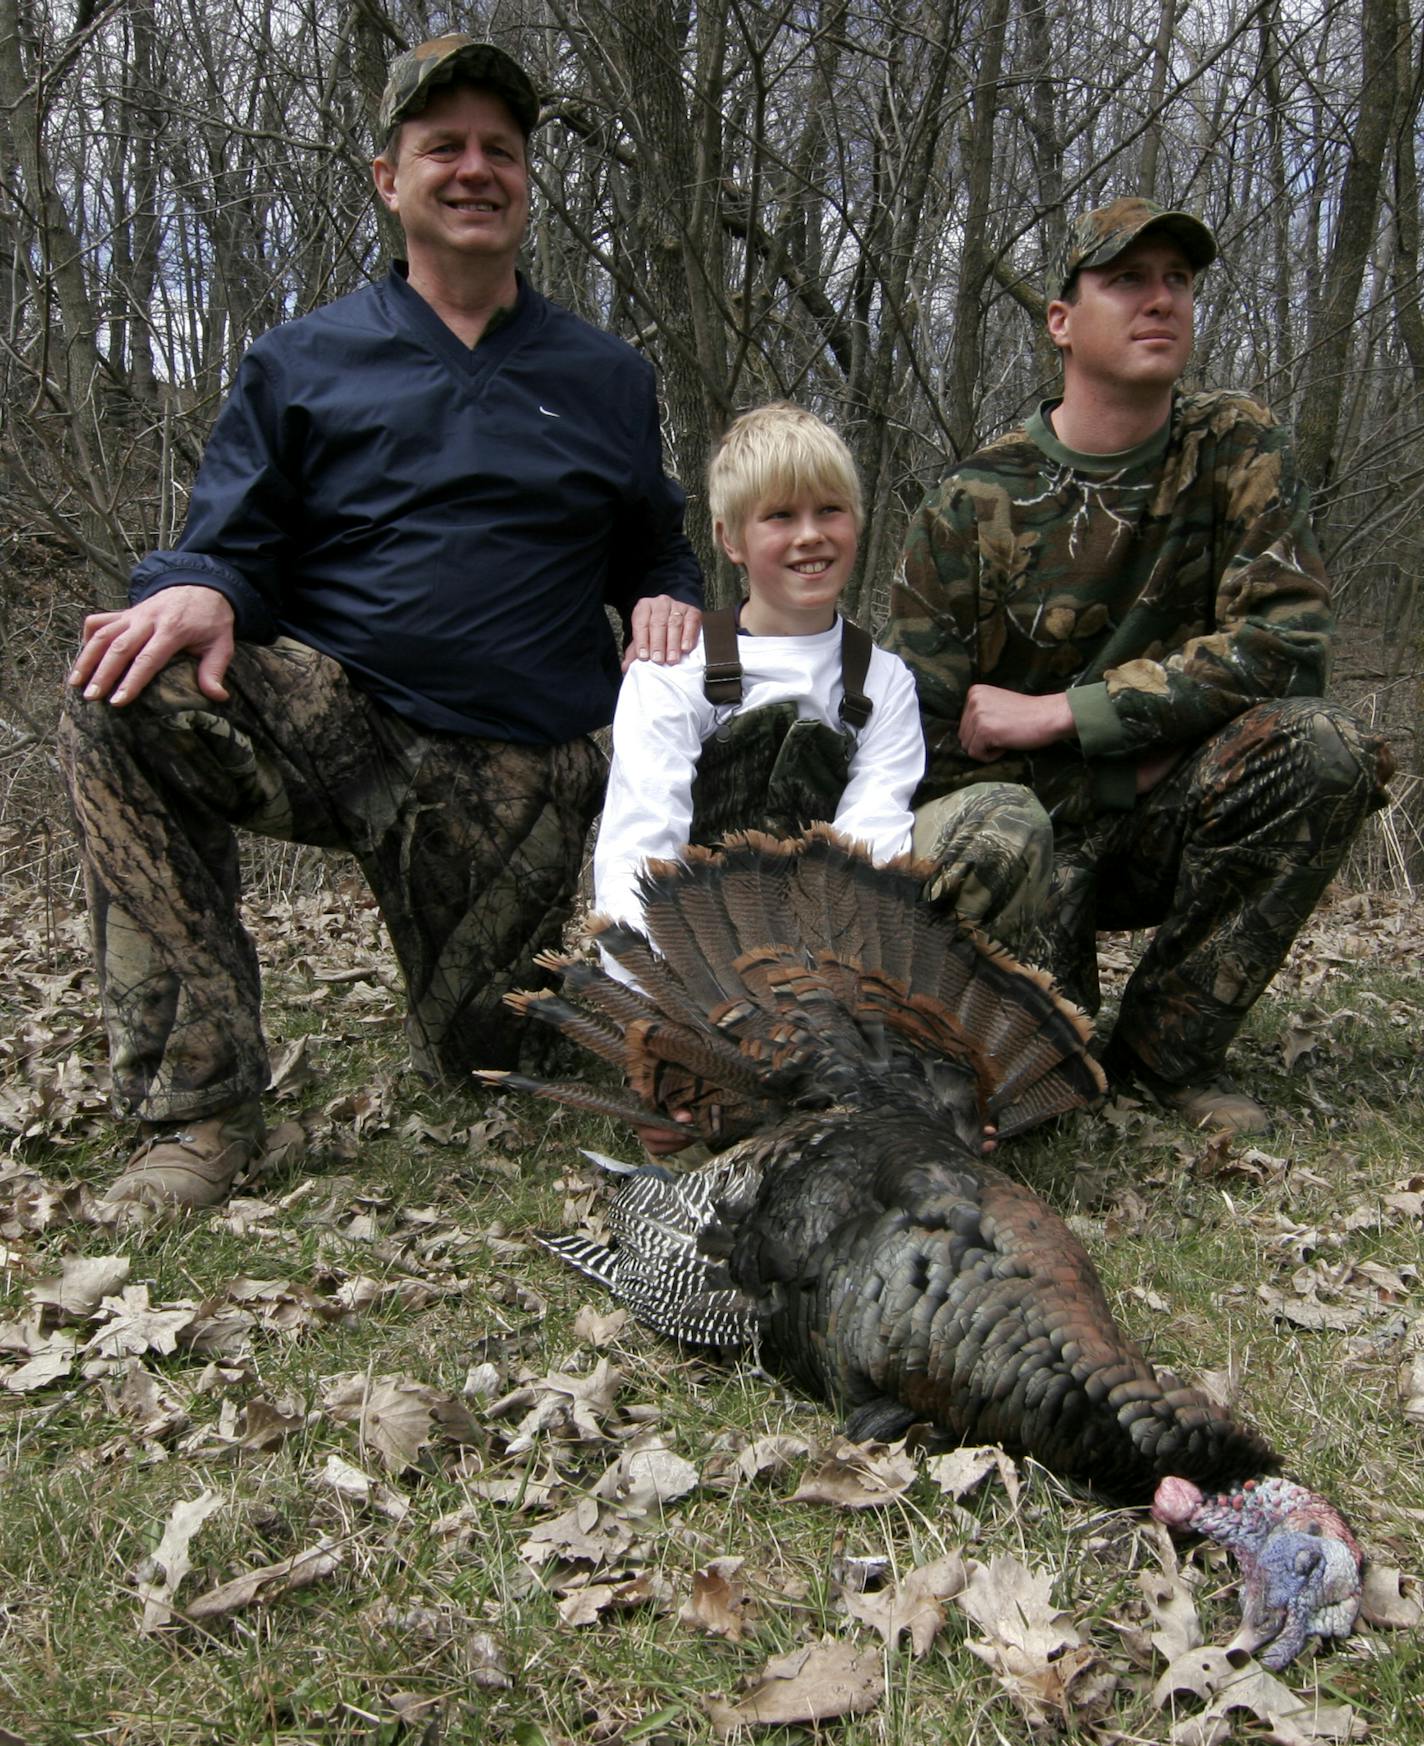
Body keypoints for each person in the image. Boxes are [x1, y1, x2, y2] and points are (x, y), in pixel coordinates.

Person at [59, 35, 703, 1210]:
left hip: (515, 772)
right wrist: (195, 582)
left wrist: (677, 596)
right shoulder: (300, 362)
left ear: (524, 181)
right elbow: (231, 543)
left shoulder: (607, 376)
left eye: (498, 150)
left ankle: (526, 1007)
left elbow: (655, 548)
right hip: (339, 723)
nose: (473, 170)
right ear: (386, 178)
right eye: (440, 147)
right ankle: (198, 1111)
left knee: (484, 1064)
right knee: (126, 682)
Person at [882, 196, 1393, 1136]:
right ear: (1062, 322)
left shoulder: (1235, 447)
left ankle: (1168, 1055)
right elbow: (925, 755)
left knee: (1323, 749)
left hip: (1164, 813)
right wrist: (1126, 760)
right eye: (1127, 281)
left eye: (1179, 282)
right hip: (1030, 838)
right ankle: (1059, 1028)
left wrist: (1065, 716)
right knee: (1048, 1095)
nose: (1161, 301)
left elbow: (1287, 650)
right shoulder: (970, 503)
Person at [593, 402, 928, 1151]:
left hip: (830, 960)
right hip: (697, 966)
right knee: (688, 1124)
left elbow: (873, 849)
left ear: (858, 522)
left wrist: (830, 1009)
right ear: (730, 539)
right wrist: (658, 1028)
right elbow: (638, 849)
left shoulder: (885, 680)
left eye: (830, 511)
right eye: (779, 516)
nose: (810, 536)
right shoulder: (672, 670)